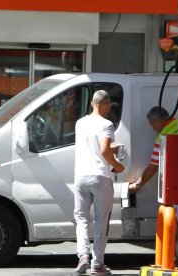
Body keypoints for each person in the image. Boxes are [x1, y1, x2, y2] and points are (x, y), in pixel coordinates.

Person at [73, 90, 125, 275]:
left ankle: (83, 257)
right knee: (102, 220)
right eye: (109, 106)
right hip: (100, 176)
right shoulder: (107, 124)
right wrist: (117, 165)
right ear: (105, 104)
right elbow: (103, 151)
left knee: (81, 218)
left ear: (91, 103)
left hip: (80, 176)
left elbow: (92, 146)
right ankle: (97, 264)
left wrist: (110, 148)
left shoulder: (80, 123)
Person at [128, 106, 178, 193]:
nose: (153, 128)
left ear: (159, 121)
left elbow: (153, 167)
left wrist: (138, 184)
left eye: (152, 124)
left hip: (175, 182)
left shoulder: (161, 138)